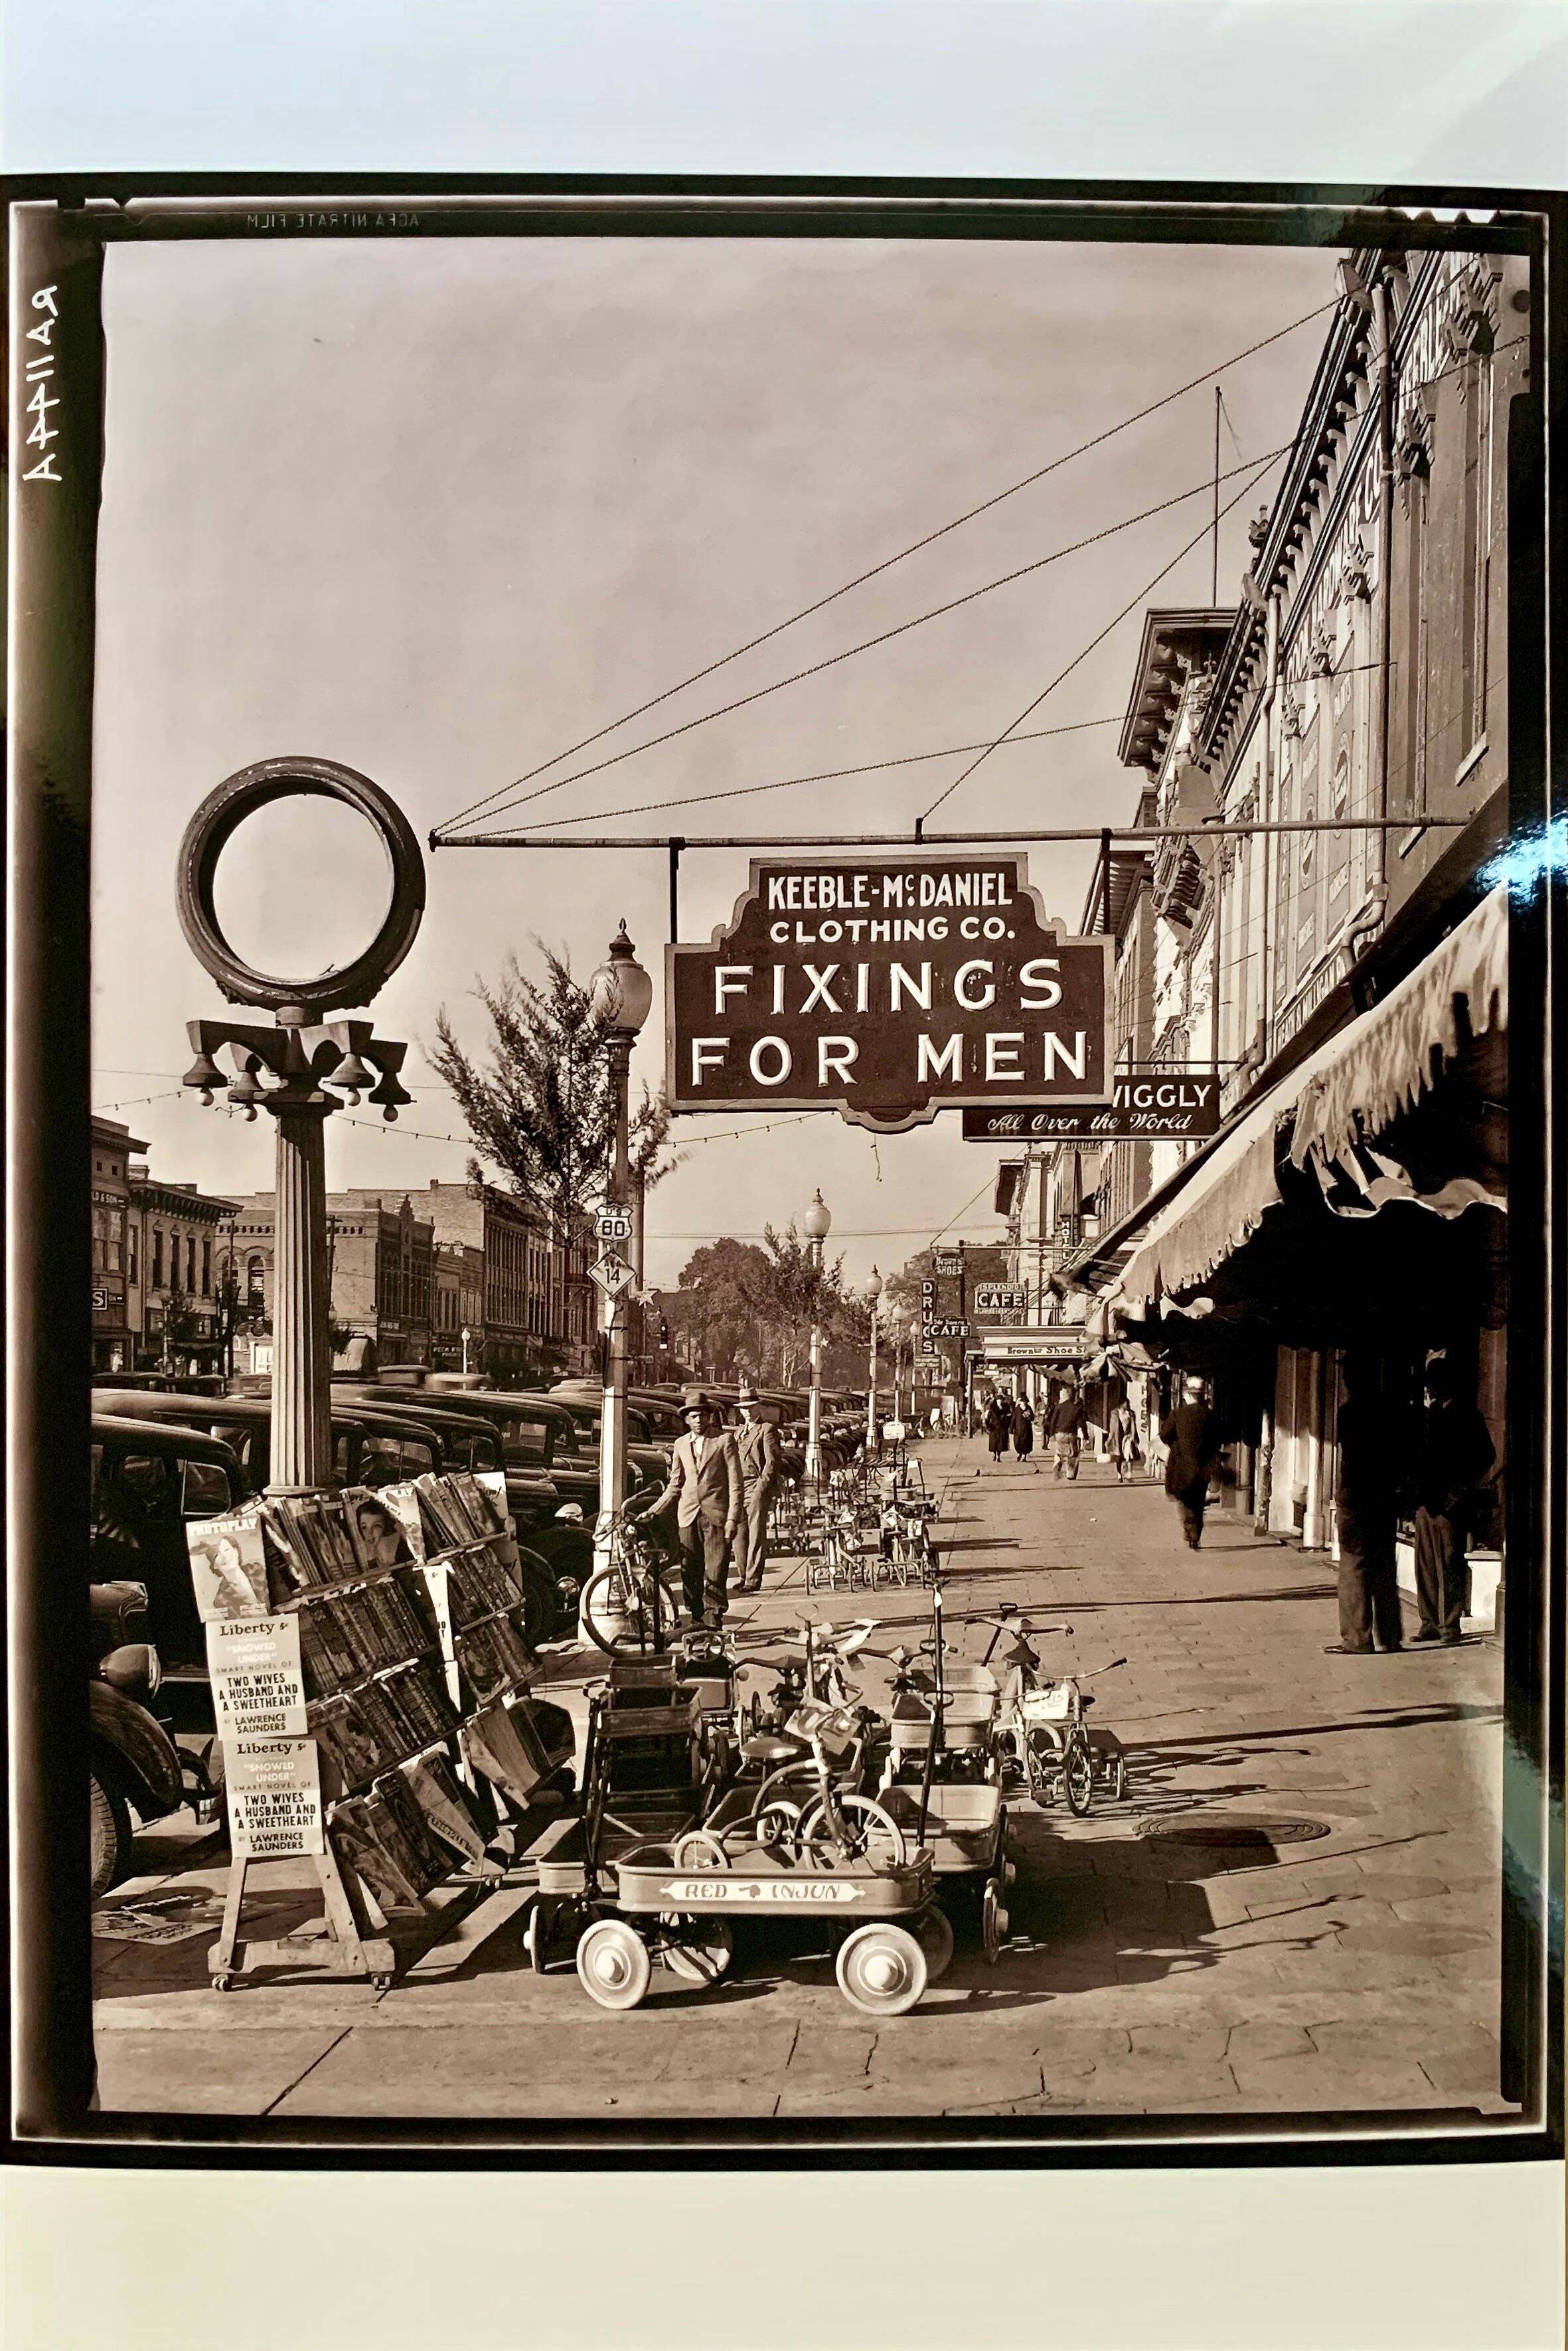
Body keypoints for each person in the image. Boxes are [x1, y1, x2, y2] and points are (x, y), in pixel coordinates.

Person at [632, 1389, 743, 1627]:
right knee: (689, 1571)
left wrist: (733, 1519)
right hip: (688, 1516)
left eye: (703, 1415)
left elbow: (736, 1484)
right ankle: (696, 1616)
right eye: (694, 1416)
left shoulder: (724, 1441)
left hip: (716, 1515)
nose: (699, 1420)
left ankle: (714, 1618)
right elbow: (675, 1486)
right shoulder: (680, 1444)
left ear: (710, 1417)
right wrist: (654, 1510)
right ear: (686, 1419)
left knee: (716, 1569)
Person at [1411, 1356, 1496, 1645]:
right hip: (1426, 1501)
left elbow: (1487, 1455)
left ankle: (1449, 1625)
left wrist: (1461, 1486)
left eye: (1436, 1383)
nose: (1431, 1389)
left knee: (1448, 1564)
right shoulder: (1430, 1415)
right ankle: (1429, 1622)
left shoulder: (1467, 1414)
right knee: (1425, 1564)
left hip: (1450, 1503)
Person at [1326, 1354, 1404, 1655]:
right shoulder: (1390, 1410)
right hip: (1384, 1498)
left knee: (1354, 1567)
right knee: (1384, 1567)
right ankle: (1390, 1636)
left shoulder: (1350, 1412)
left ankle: (1357, 1638)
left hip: (1357, 1499)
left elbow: (1351, 1454)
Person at [1160, 1376, 1223, 1548]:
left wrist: (1176, 1443)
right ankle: (1195, 1531)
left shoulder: (1178, 1414)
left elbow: (1165, 1435)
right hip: (1203, 1467)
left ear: (1187, 1395)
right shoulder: (1210, 1416)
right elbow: (1219, 1437)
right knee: (1198, 1500)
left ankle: (1191, 1530)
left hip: (1181, 1467)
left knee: (1185, 1500)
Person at [731, 1385, 781, 1594]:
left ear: (758, 1407)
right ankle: (743, 1576)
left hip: (755, 1485)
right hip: (738, 1488)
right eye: (744, 1408)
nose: (748, 1412)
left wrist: (762, 1486)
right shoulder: (737, 1433)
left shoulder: (767, 1429)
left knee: (755, 1534)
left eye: (751, 1407)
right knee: (738, 1535)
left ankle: (753, 1578)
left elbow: (773, 1462)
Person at [1045, 1379, 1087, 1481]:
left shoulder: (1059, 1407)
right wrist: (1085, 1436)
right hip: (1071, 1434)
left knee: (1059, 1451)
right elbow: (1081, 1423)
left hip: (1059, 1433)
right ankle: (1070, 1473)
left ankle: (1058, 1461)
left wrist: (1051, 1433)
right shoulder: (1077, 1409)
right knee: (1073, 1454)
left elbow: (1053, 1421)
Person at [1108, 1397, 1140, 1484]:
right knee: (1119, 1458)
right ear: (1121, 1404)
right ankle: (1119, 1474)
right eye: (1126, 1403)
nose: (1128, 1405)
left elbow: (1133, 1425)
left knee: (1128, 1456)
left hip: (1128, 1437)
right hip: (1118, 1438)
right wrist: (1109, 1439)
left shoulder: (1131, 1413)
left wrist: (1134, 1437)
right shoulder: (1115, 1413)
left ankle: (1128, 1474)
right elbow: (1112, 1427)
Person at [983, 1389, 1013, 1463]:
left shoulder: (1005, 1408)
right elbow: (988, 1418)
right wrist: (988, 1426)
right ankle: (994, 1454)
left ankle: (999, 1456)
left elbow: (1009, 1417)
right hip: (994, 1428)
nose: (999, 1401)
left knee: (1001, 1443)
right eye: (998, 1400)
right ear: (996, 1401)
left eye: (1001, 1400)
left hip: (1002, 1428)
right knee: (994, 1443)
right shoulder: (993, 1408)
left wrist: (1007, 1421)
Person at [1012, 1392, 1036, 1468]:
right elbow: (1013, 1419)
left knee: (1026, 1442)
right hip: (1018, 1429)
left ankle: (1024, 1455)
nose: (1024, 1403)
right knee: (1017, 1442)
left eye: (1025, 1402)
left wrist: (1029, 1417)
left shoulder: (1029, 1408)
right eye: (1023, 1402)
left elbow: (1032, 1418)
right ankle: (1020, 1453)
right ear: (1021, 1402)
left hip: (1027, 1429)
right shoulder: (1017, 1409)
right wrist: (1011, 1428)